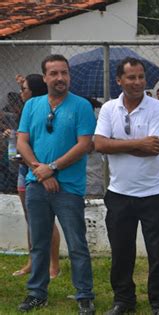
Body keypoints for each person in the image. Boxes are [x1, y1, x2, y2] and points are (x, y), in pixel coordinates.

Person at [16, 54, 96, 314]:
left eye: (64, 73)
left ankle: (84, 294)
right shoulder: (32, 106)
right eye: (54, 73)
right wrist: (40, 171)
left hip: (69, 188)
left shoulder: (81, 106)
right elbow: (22, 142)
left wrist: (52, 169)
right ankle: (37, 293)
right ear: (45, 77)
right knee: (39, 242)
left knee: (77, 244)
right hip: (36, 185)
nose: (60, 78)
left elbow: (84, 145)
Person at [94, 57, 159, 315]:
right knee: (121, 251)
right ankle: (123, 300)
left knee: (158, 252)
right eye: (131, 77)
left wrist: (115, 144)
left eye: (141, 77)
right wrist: (137, 144)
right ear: (119, 80)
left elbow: (154, 149)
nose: (137, 82)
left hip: (153, 194)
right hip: (118, 193)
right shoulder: (108, 109)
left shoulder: (157, 108)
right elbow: (99, 145)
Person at [11, 74, 61, 279]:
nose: (21, 93)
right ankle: (32, 261)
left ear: (34, 91)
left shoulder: (47, 111)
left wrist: (34, 164)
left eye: (24, 89)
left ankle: (54, 265)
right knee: (31, 218)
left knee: (48, 220)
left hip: (41, 169)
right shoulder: (25, 110)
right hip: (24, 170)